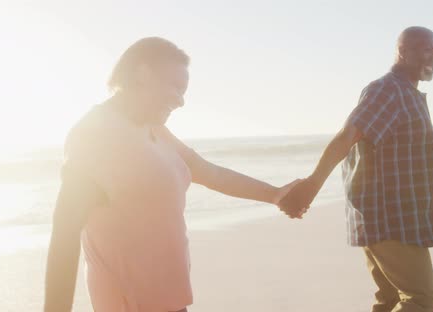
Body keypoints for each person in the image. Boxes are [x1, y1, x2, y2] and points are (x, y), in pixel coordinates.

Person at [44, 37, 303, 312]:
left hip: (170, 302)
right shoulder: (96, 135)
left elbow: (210, 173)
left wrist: (274, 194)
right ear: (143, 74)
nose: (180, 101)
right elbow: (65, 236)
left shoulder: (152, 129)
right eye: (176, 87)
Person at [279, 26, 433, 312]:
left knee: (390, 300)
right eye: (425, 49)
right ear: (403, 51)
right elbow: (347, 137)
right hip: (392, 220)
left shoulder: (406, 92)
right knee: (422, 303)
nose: (432, 56)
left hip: (399, 218)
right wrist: (311, 186)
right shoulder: (388, 90)